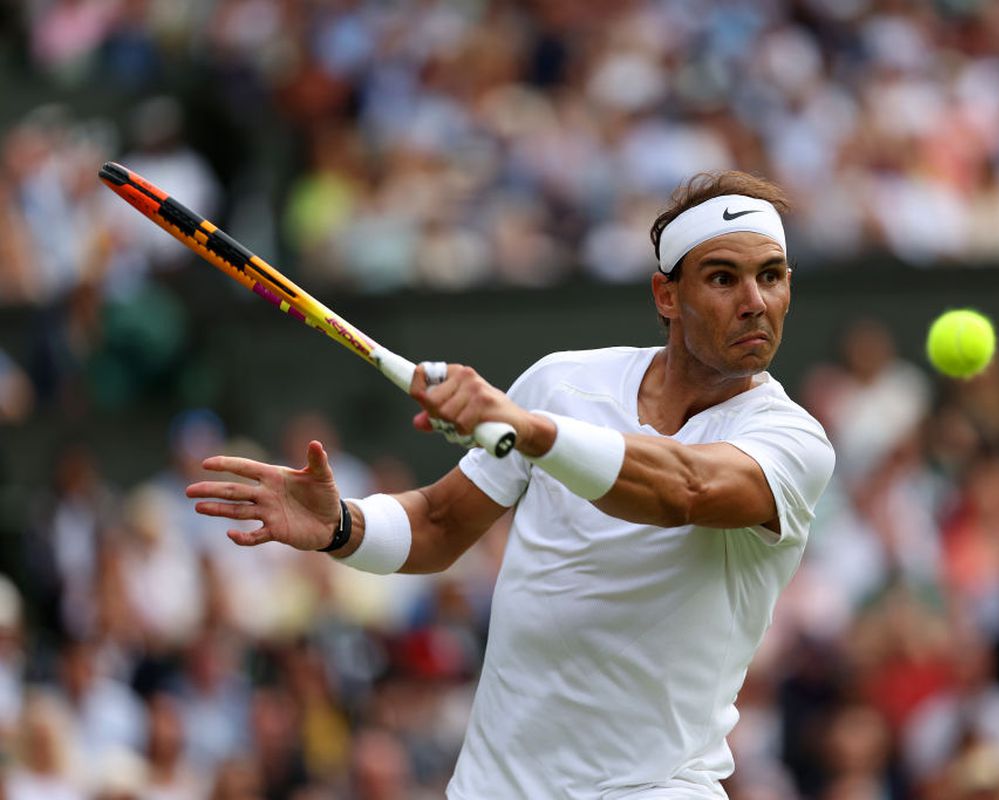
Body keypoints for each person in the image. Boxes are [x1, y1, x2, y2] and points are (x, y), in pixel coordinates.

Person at [186, 170, 836, 798]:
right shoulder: (561, 383)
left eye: (771, 277)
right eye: (724, 278)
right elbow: (438, 527)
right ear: (668, 296)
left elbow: (684, 490)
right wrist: (344, 526)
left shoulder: (792, 441)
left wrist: (532, 431)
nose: (755, 301)